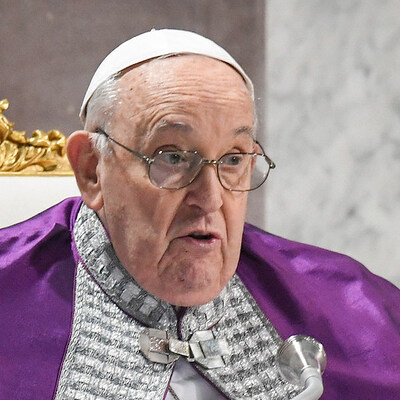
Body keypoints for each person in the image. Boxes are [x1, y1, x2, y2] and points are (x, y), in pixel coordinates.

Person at [0, 29, 399, 400]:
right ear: (91, 169)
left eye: (232, 159)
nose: (210, 199)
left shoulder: (352, 308)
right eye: (171, 157)